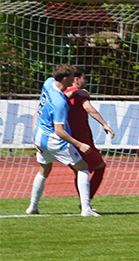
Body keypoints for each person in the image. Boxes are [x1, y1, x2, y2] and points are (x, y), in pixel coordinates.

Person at [26, 64, 100, 217]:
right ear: (66, 78)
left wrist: (34, 137)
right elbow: (59, 131)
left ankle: (32, 206)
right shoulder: (60, 103)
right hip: (54, 140)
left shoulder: (48, 82)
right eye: (73, 77)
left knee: (44, 170)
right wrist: (80, 144)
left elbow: (39, 111)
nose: (75, 80)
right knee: (83, 167)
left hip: (40, 136)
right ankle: (86, 209)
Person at [64, 68, 115, 207]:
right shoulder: (81, 94)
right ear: (76, 79)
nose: (85, 81)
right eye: (84, 78)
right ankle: (86, 201)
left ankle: (84, 202)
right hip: (82, 139)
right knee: (100, 166)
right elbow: (89, 108)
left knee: (78, 170)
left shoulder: (60, 93)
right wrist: (104, 124)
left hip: (65, 138)